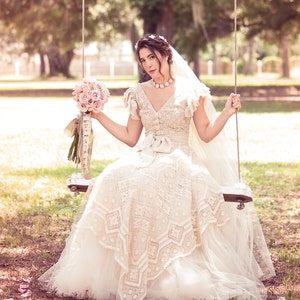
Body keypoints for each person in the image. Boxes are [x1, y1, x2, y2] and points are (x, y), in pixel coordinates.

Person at [39, 34, 275, 300]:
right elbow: (130, 137)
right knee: (113, 176)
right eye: (143, 60)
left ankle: (165, 270)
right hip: (145, 155)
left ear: (166, 55)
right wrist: (98, 114)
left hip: (178, 158)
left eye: (152, 57)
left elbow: (206, 133)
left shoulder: (191, 92)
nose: (148, 64)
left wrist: (228, 112)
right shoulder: (139, 93)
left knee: (154, 181)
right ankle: (121, 269)